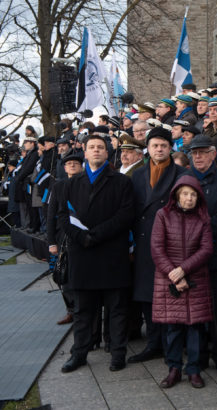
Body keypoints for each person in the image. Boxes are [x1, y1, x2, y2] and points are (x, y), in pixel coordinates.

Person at [59, 134, 134, 373]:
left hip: (112, 253)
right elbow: (63, 216)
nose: (96, 151)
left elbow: (125, 215)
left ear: (107, 151)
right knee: (82, 311)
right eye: (91, 147)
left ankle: (118, 353)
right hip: (82, 254)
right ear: (85, 151)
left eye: (100, 147)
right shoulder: (71, 183)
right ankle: (79, 353)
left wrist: (97, 234)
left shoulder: (121, 182)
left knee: (117, 308)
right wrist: (82, 237)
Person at [151, 175, 214, 389]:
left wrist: (183, 270)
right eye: (185, 194)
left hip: (195, 278)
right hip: (169, 280)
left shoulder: (203, 218)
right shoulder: (163, 215)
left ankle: (194, 370)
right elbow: (157, 249)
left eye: (193, 194)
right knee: (173, 328)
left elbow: (206, 249)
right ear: (177, 195)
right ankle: (174, 369)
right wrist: (174, 274)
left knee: (196, 328)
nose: (189, 198)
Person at [129, 127, 185, 365]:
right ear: (147, 148)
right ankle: (153, 343)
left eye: (163, 145)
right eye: (154, 145)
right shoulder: (137, 175)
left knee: (168, 295)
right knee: (146, 295)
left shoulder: (181, 174)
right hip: (142, 241)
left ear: (170, 148)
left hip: (169, 243)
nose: (159, 149)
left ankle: (170, 344)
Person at [184, 135, 217, 376]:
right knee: (195, 308)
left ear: (213, 154)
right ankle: (199, 355)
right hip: (192, 257)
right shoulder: (184, 179)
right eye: (194, 153)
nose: (198, 157)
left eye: (203, 152)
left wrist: (200, 231)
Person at [47, 151, 83, 325]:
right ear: (64, 168)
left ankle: (82, 310)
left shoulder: (87, 184)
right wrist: (51, 241)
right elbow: (51, 214)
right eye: (69, 164)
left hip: (83, 234)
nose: (72, 165)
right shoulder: (58, 186)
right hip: (63, 236)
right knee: (63, 274)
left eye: (76, 163)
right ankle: (71, 310)